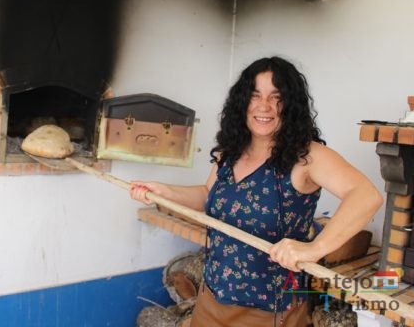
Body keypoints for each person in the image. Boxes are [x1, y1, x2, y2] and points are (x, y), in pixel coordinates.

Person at [130, 57, 383, 326]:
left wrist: (314, 248)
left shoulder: (306, 157)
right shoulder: (230, 153)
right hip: (211, 298)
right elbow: (208, 194)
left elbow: (366, 195)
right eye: (255, 96)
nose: (265, 106)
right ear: (242, 102)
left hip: (270, 313)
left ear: (291, 105)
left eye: (277, 97)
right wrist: (163, 191)